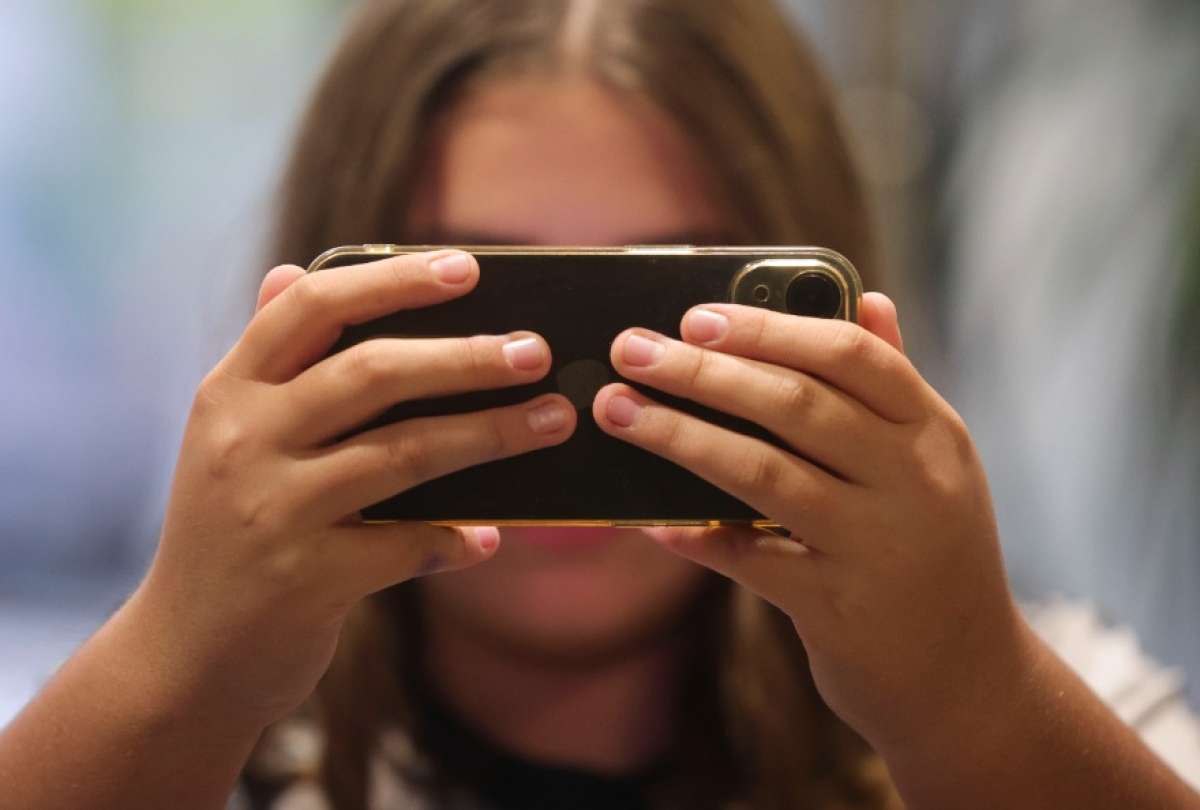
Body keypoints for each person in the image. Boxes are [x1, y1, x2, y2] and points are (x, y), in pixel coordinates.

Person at [1, 1, 1197, 809]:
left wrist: (970, 701)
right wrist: (176, 677)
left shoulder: (1039, 701)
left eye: (671, 309)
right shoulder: (196, 730)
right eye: (485, 301)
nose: (577, 403)